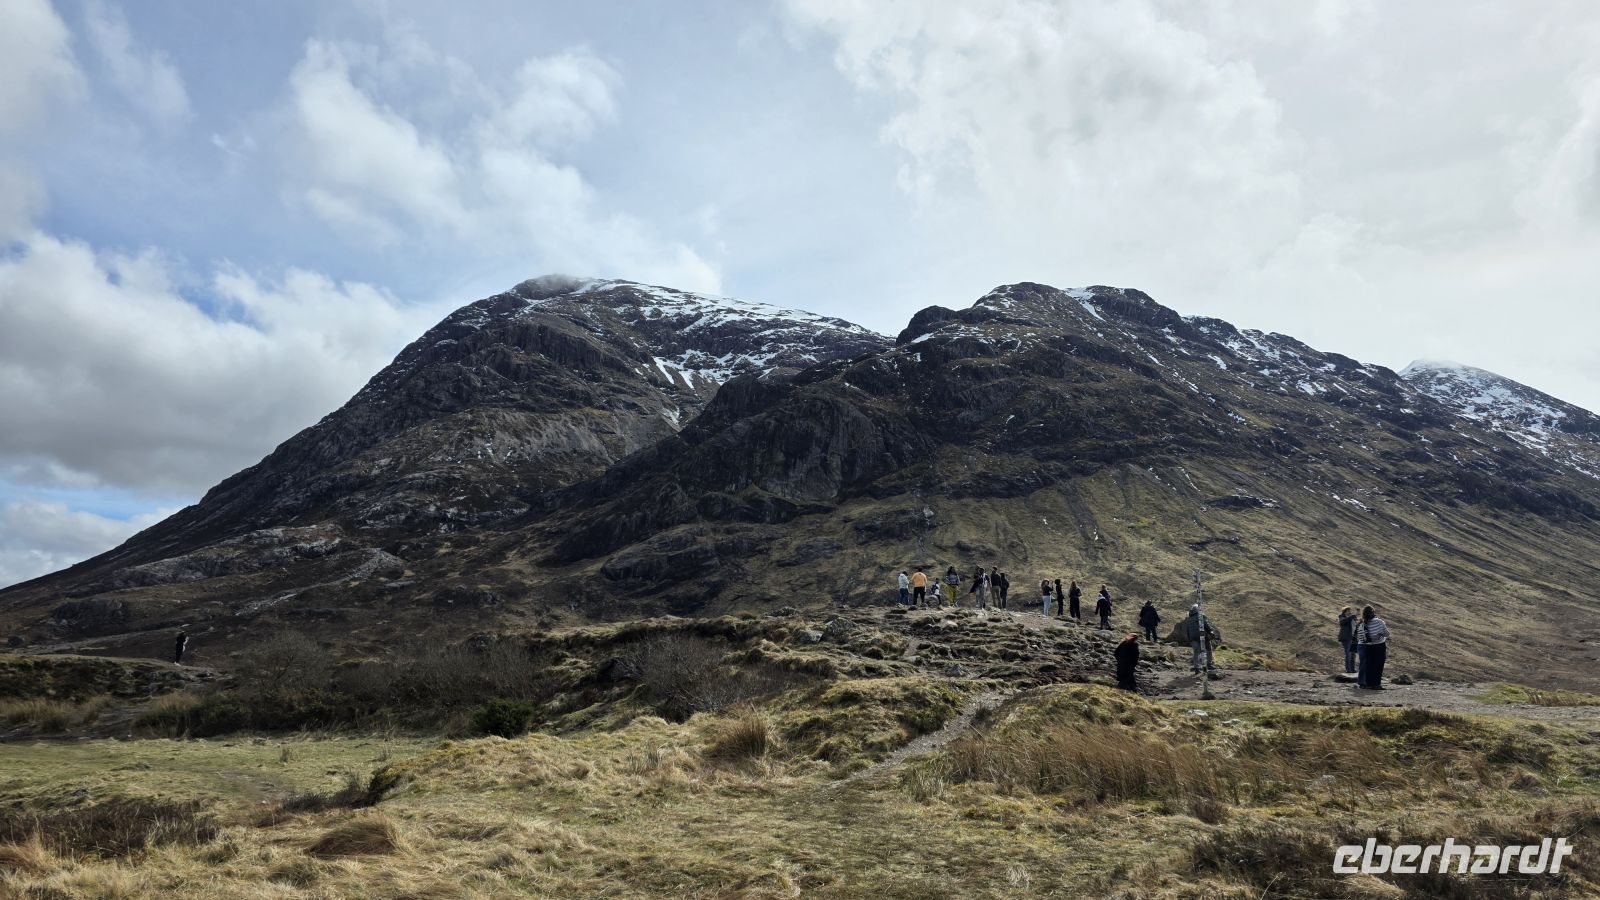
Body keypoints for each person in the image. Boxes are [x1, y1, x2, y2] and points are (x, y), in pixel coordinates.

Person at [1359, 606, 1390, 689]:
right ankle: (1376, 684)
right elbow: (1387, 633)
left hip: (1367, 647)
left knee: (1369, 666)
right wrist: (1379, 635)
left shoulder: (1362, 623)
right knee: (1378, 666)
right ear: (1373, 612)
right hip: (1379, 646)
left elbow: (1361, 637)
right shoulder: (1379, 622)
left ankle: (1368, 684)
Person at [1183, 604, 1216, 674]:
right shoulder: (1200, 616)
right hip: (1202, 635)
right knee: (1209, 648)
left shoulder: (1188, 619)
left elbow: (1187, 631)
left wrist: (1190, 640)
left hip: (1193, 638)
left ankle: (1196, 668)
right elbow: (1205, 624)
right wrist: (1210, 631)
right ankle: (1209, 664)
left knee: (1196, 652)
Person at [1337, 607, 1358, 675]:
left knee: (1353, 654)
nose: (1350, 611)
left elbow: (1355, 627)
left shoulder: (1351, 618)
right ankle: (1348, 669)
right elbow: (1342, 622)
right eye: (1348, 610)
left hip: (1353, 638)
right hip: (1346, 638)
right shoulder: (1341, 617)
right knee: (1348, 653)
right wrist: (1352, 617)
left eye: (1350, 610)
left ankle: (1352, 669)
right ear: (1345, 611)